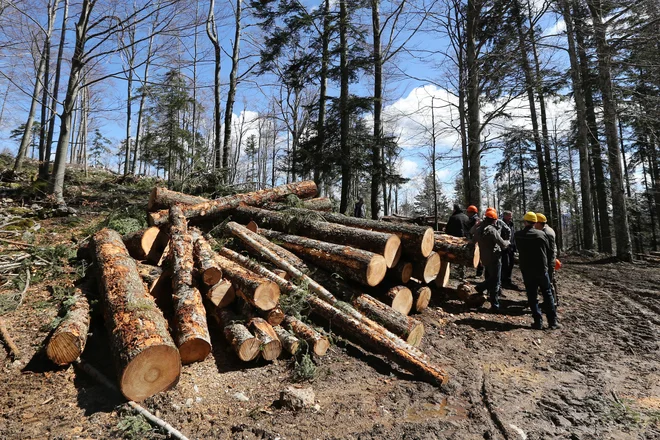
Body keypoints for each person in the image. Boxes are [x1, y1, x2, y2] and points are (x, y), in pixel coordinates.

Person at [515, 212, 561, 330]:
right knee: (547, 293)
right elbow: (549, 250)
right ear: (535, 222)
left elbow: (518, 249)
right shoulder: (541, 234)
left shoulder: (518, 235)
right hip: (541, 269)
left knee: (532, 295)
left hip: (527, 269)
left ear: (525, 222)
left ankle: (538, 322)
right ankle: (553, 322)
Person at [470, 208, 510, 310]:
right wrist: (508, 242)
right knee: (495, 280)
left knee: (491, 277)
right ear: (493, 220)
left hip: (484, 258)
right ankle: (494, 304)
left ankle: (483, 289)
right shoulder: (492, 230)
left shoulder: (479, 230)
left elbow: (472, 238)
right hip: (495, 258)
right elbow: (503, 244)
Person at [446, 204, 470, 279]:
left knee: (449, 255)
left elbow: (448, 229)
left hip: (454, 239)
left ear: (455, 209)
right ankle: (462, 273)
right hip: (465, 239)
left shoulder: (453, 217)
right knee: (463, 255)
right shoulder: (466, 217)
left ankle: (447, 272)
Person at [534, 213, 557, 283]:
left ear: (538, 223)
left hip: (548, 260)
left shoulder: (547, 233)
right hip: (547, 259)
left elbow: (550, 250)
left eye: (534, 223)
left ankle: (552, 292)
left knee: (549, 280)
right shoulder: (545, 230)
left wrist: (547, 263)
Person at [500, 210, 519, 290]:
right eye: (509, 216)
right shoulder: (500, 224)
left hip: (511, 248)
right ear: (504, 216)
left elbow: (513, 236)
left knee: (511, 264)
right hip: (504, 248)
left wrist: (515, 247)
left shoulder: (511, 224)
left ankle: (508, 280)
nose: (510, 217)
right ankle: (503, 281)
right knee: (505, 264)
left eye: (511, 216)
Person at [465, 205, 483, 277]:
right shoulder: (471, 219)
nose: (467, 213)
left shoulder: (476, 220)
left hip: (476, 239)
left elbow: (475, 230)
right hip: (471, 238)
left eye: (468, 212)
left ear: (472, 212)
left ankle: (479, 272)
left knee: (478, 255)